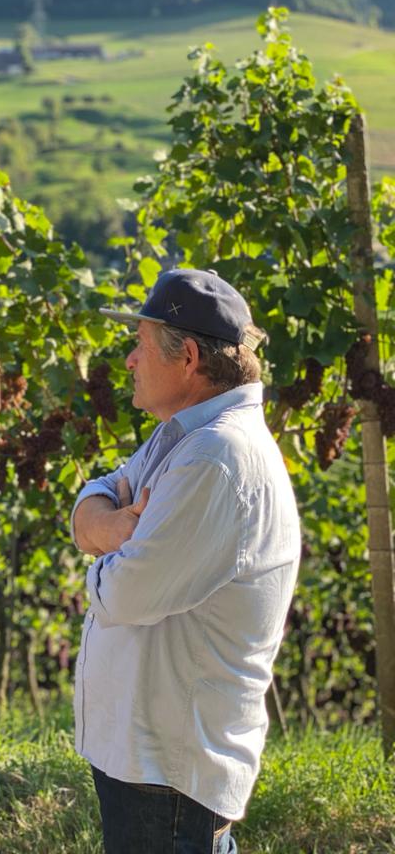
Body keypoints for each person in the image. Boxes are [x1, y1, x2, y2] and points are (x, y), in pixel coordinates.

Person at [71, 268, 301, 854]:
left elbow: (125, 596)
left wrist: (100, 556)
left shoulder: (215, 459)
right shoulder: (185, 434)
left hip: (169, 768)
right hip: (152, 757)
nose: (128, 361)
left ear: (189, 357)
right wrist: (111, 528)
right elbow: (100, 492)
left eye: (141, 345)